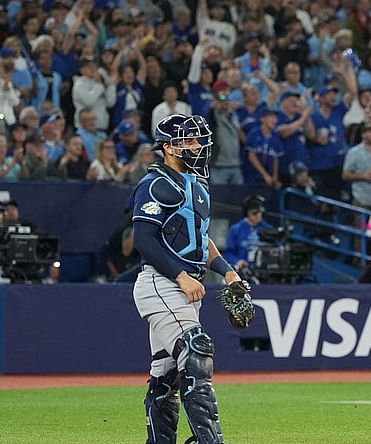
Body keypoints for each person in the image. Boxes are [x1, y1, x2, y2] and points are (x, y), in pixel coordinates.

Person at [129, 113, 242, 444]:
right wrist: (181, 276)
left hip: (183, 288)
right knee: (196, 352)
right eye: (188, 141)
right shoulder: (154, 184)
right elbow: (144, 239)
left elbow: (200, 237)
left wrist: (228, 271)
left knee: (167, 375)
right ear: (168, 148)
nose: (197, 146)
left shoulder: (198, 185)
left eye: (198, 140)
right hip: (161, 284)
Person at [224, 194, 273, 273]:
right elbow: (229, 252)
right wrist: (237, 261)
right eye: (254, 213)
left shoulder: (269, 229)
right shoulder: (236, 229)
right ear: (247, 213)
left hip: (264, 271)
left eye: (260, 212)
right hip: (243, 271)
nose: (258, 215)